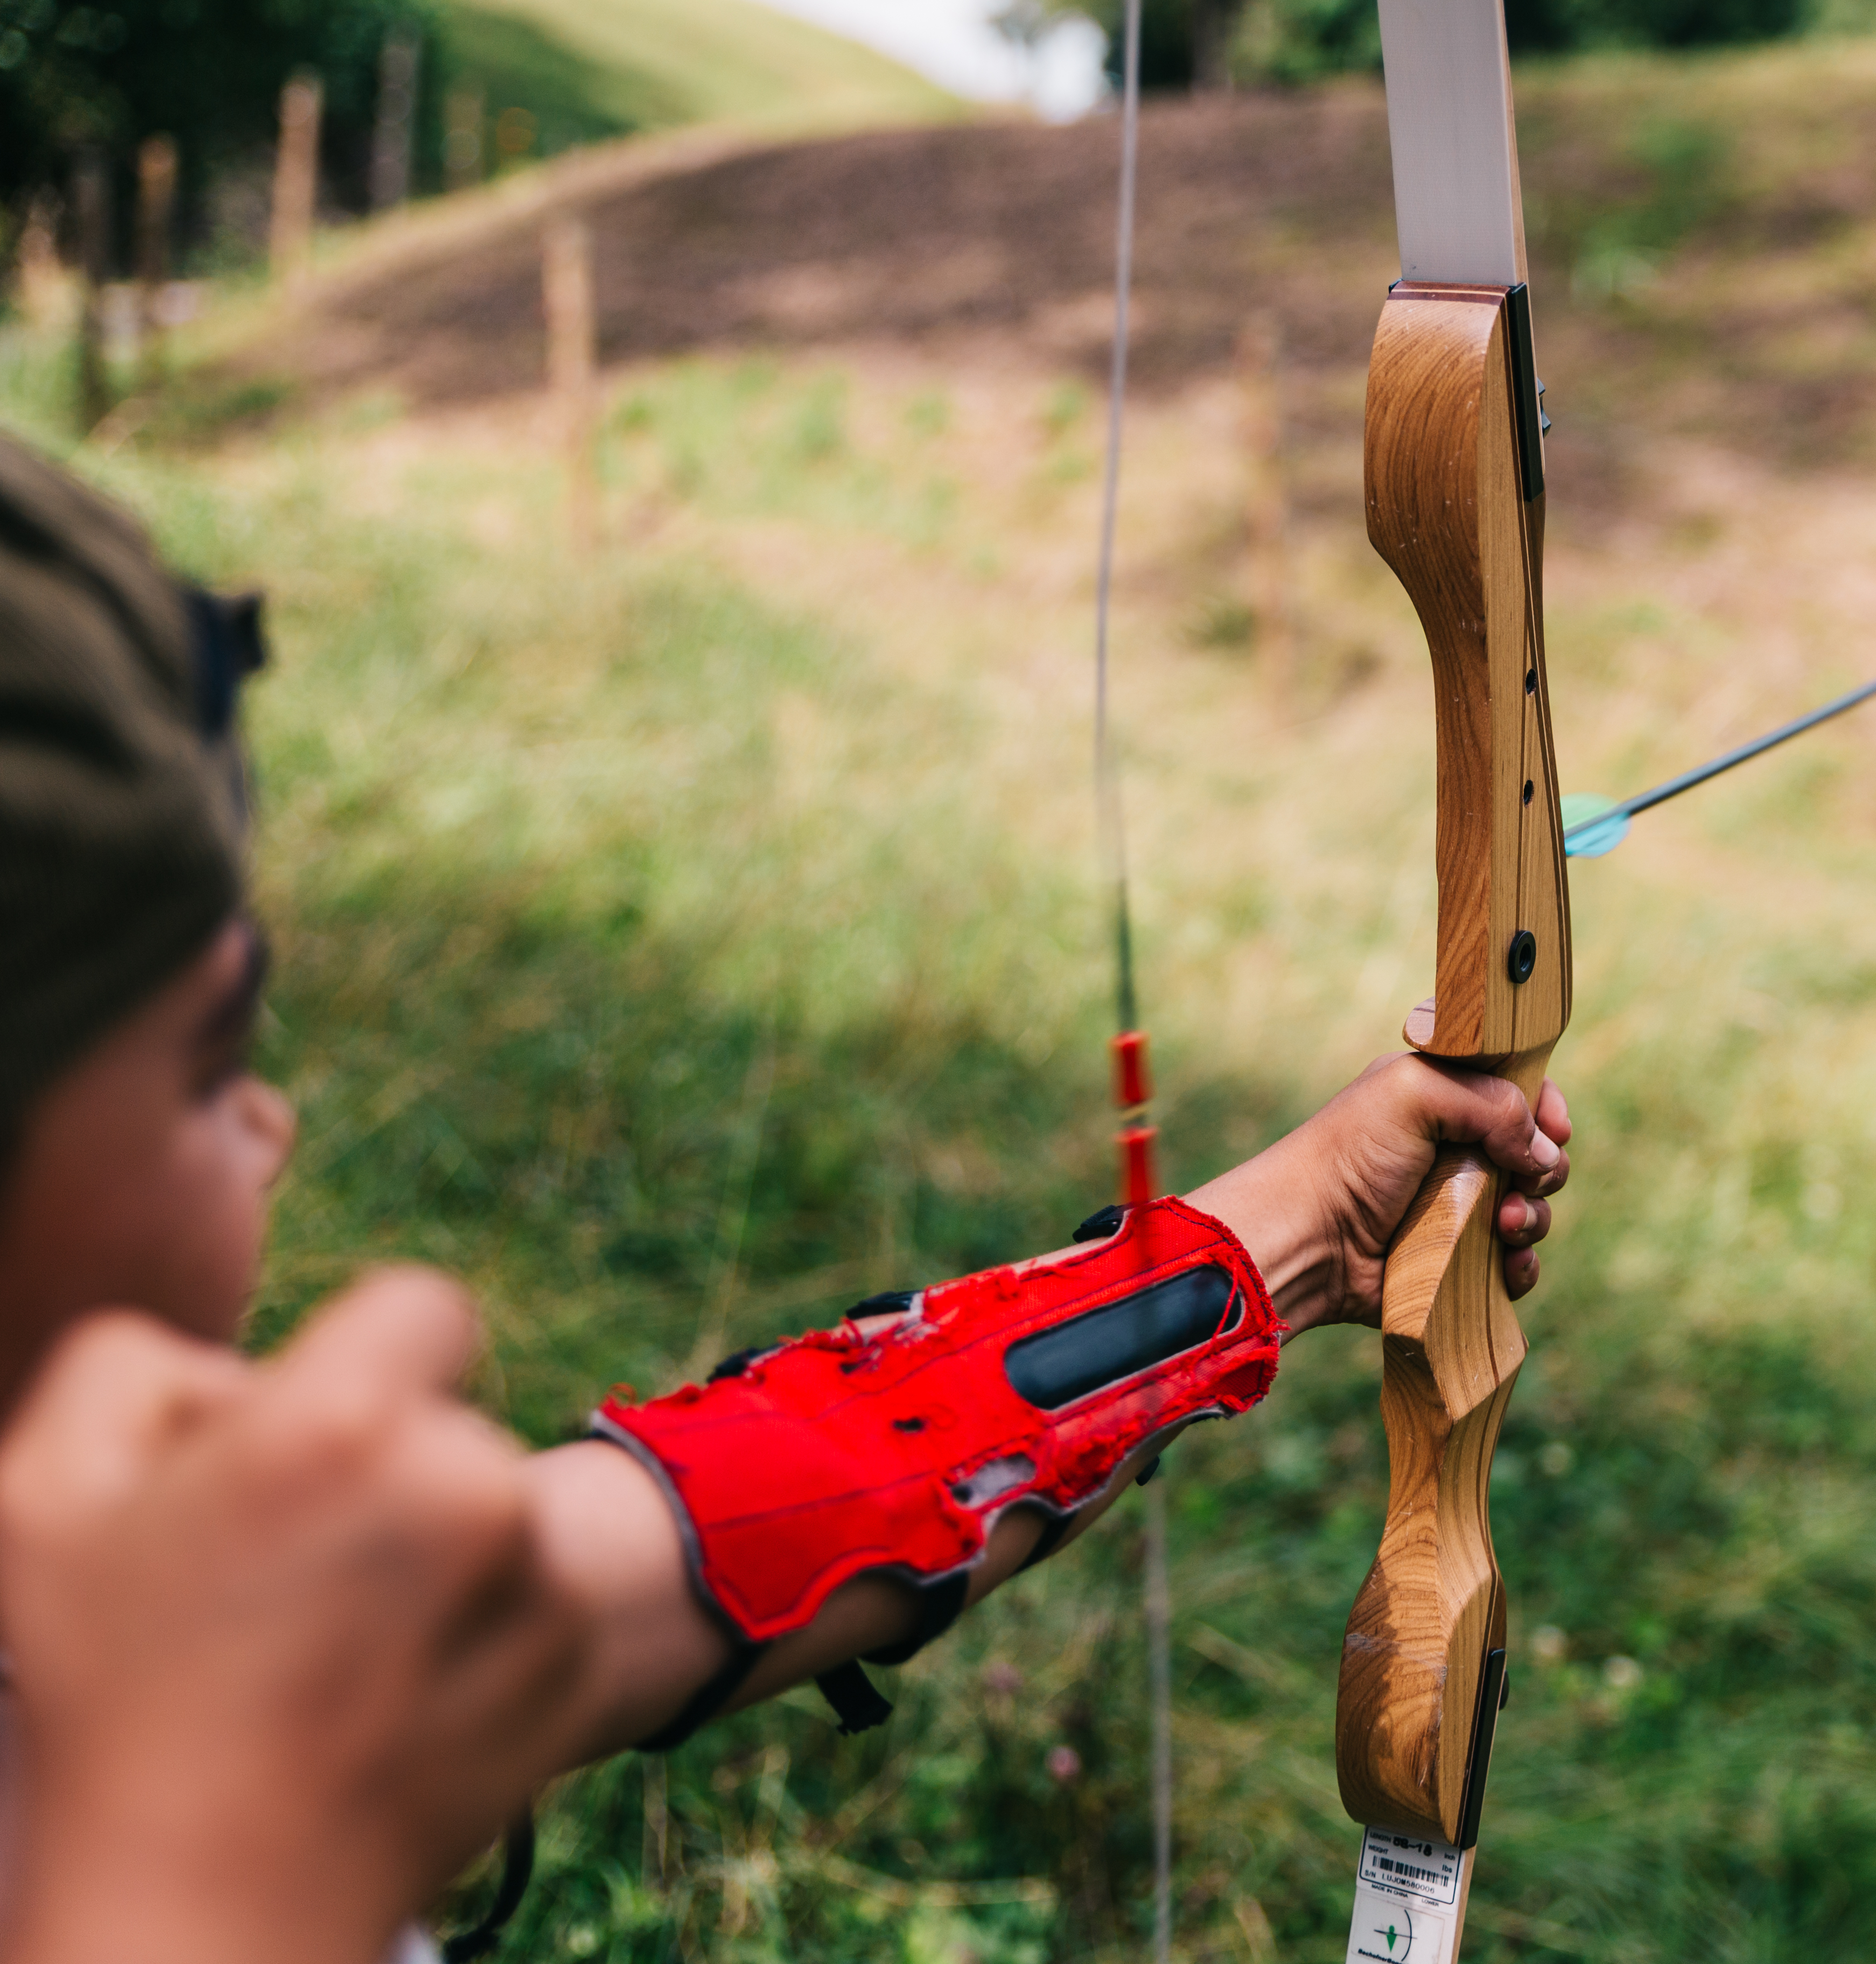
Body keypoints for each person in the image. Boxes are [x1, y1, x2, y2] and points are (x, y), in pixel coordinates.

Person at [0, 433, 1573, 1961]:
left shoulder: (162, 1573)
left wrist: (1286, 1234)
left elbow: (754, 1515)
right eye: (211, 1060)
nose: (267, 1123)